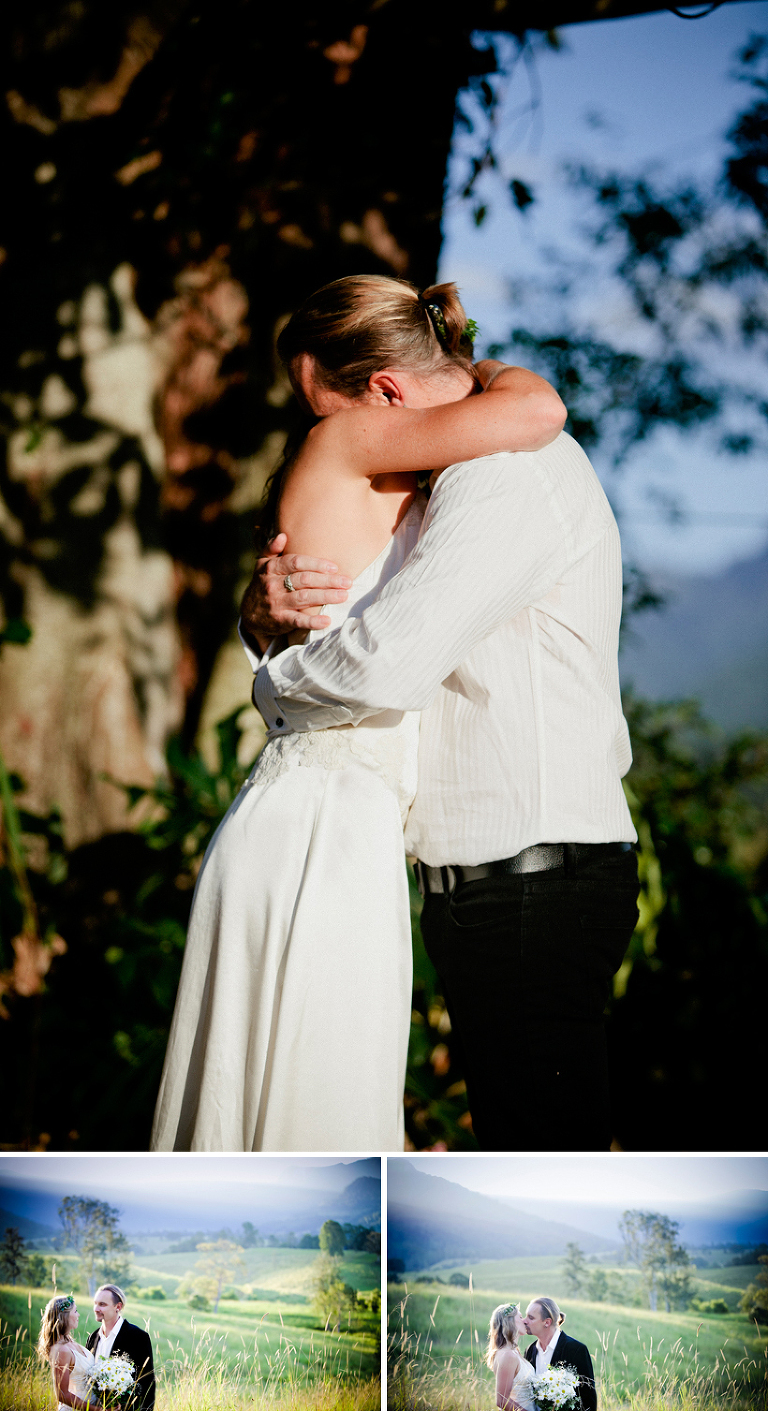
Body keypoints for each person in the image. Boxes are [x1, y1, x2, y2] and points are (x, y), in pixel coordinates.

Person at [150, 273, 566, 1152]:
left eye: (318, 397)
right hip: (325, 816)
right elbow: (538, 411)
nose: (316, 421)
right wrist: (475, 361)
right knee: (316, 1091)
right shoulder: (354, 435)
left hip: (338, 812)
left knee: (313, 1081)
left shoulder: (378, 446)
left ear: (380, 386)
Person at [242, 278, 639, 1153]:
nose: (323, 437)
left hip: (532, 878)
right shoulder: (470, 464)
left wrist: (275, 683)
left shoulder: (501, 473)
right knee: (524, 1138)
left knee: (542, 1152)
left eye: (327, 414)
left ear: (384, 395)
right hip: (503, 879)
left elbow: (388, 662)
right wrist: (261, 617)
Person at [86, 1284, 155, 1411]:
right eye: (95, 1303)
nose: (96, 1308)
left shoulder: (138, 1337)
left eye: (102, 1304)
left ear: (118, 1306)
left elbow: (147, 1383)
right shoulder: (93, 1338)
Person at [523, 1296, 597, 1411]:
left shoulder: (576, 1349)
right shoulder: (530, 1350)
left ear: (547, 1322)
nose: (524, 1321)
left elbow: (588, 1398)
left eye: (531, 1318)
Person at [38, 1294, 96, 1411]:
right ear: (65, 1316)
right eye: (75, 1311)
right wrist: (97, 1410)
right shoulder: (61, 1350)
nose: (78, 1315)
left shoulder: (69, 1341)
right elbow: (62, 1395)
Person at [487, 1302, 538, 1411]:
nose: (524, 1320)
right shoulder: (507, 1355)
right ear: (510, 1322)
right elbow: (502, 1400)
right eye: (520, 1317)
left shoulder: (514, 1351)